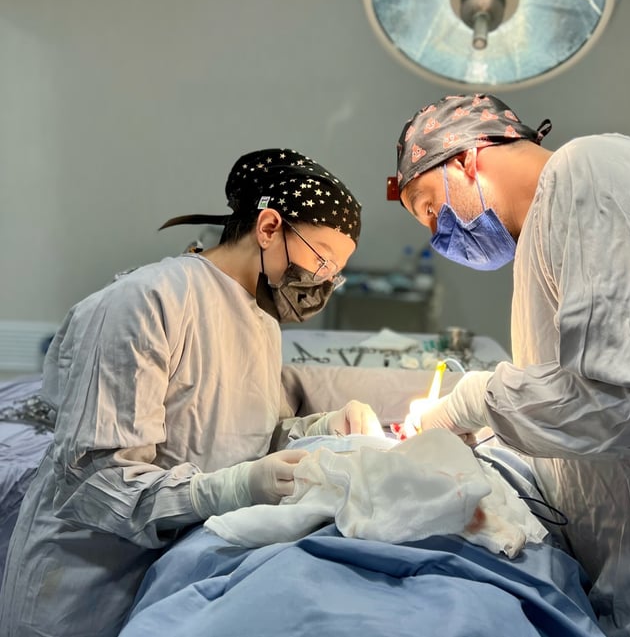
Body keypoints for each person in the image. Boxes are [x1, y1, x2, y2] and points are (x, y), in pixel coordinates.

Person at [387, 93, 630, 637]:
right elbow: (582, 409)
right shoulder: (548, 232)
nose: (436, 232)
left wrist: (478, 401)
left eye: (430, 208)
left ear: (464, 160)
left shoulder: (593, 172)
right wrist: (491, 445)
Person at [0, 148, 383, 637]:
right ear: (268, 228)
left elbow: (230, 434)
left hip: (172, 579)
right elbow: (96, 485)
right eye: (322, 259)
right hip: (85, 587)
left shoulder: (259, 319)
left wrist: (319, 430)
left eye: (336, 271)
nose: (325, 280)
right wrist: (231, 488)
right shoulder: (144, 303)